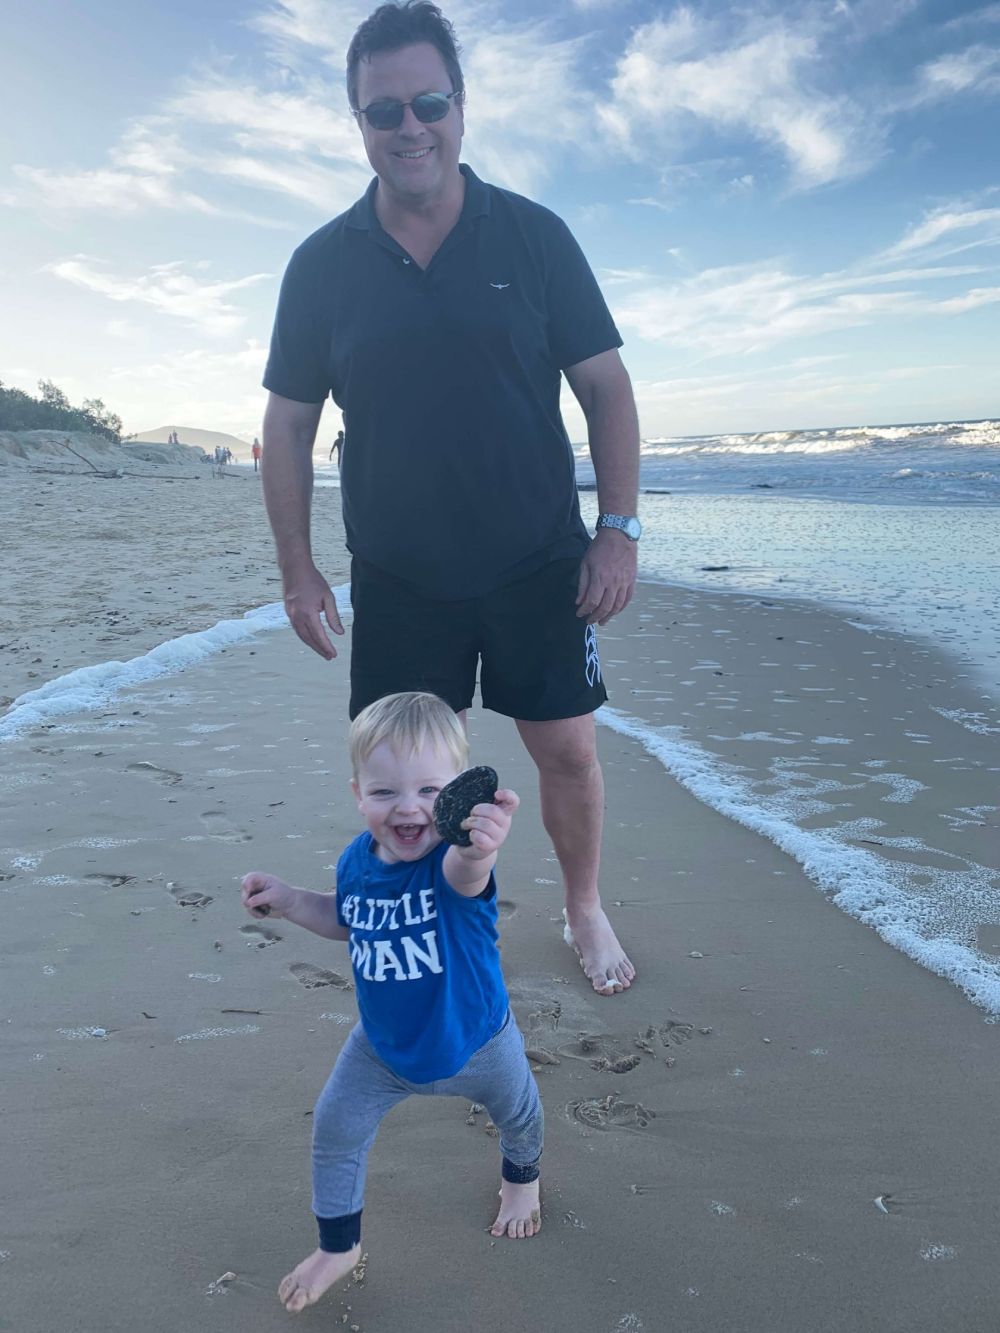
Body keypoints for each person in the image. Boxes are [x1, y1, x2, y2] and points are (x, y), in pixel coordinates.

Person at [261, 0, 642, 996]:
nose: (409, 127)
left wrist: (617, 528)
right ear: (359, 124)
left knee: (564, 750)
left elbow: (605, 386)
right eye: (383, 111)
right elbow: (289, 426)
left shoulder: (533, 237)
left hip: (536, 560)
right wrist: (297, 568)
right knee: (405, 788)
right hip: (399, 574)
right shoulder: (321, 265)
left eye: (428, 101)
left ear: (461, 108)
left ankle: (582, 904)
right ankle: (426, 939)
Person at [240, 691, 542, 1313]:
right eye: (384, 793)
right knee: (335, 1130)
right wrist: (293, 900)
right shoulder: (356, 860)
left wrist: (480, 847)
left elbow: (468, 875)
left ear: (458, 794)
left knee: (519, 1116)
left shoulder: (452, 865)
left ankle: (522, 1182)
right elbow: (345, 918)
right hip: (380, 1049)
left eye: (432, 792)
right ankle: (338, 1246)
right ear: (358, 793)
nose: (408, 808)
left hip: (478, 1041)